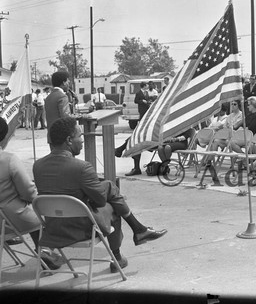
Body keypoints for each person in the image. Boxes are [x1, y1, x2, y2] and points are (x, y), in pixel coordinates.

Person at [33, 117, 167, 272]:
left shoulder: (38, 166)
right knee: (112, 204)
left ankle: (139, 231)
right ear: (69, 140)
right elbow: (100, 201)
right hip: (81, 230)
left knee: (108, 187)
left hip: (53, 229)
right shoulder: (82, 167)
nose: (82, 141)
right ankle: (118, 256)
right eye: (80, 136)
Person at [0, 117, 63, 270]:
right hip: (12, 217)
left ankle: (43, 251)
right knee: (43, 215)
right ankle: (45, 251)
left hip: (4, 220)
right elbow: (29, 192)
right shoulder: (8, 160)